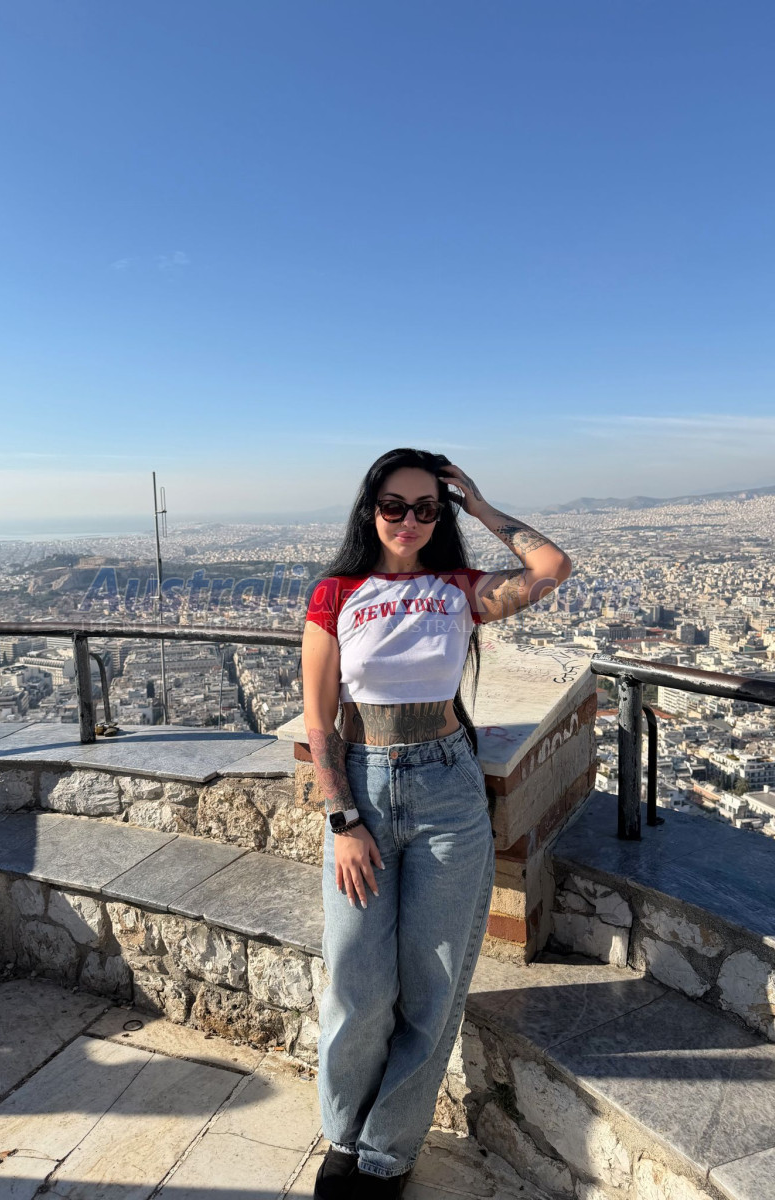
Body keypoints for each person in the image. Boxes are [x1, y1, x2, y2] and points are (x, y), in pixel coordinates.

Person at [302, 448, 572, 1198]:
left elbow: (552, 567)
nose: (410, 521)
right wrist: (343, 819)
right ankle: (343, 1133)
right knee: (356, 978)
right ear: (371, 510)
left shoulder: (459, 589)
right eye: (395, 506)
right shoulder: (336, 594)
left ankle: (386, 1150)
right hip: (362, 784)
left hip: (448, 789)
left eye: (427, 508)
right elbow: (319, 721)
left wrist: (479, 505)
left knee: (435, 981)